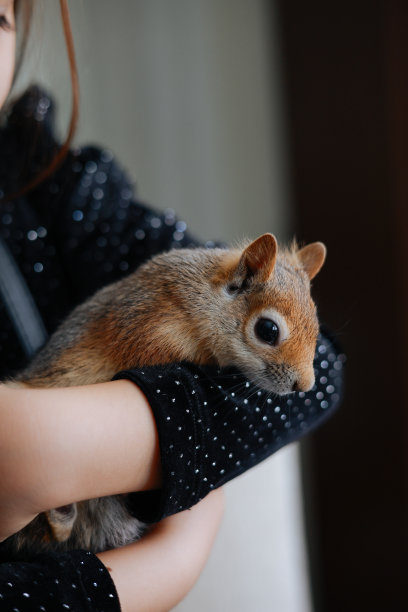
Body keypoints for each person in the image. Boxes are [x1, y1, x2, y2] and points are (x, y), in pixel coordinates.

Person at [0, 1, 343, 610]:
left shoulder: (44, 173)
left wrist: (44, 443)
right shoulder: (176, 315)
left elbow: (324, 373)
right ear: (238, 285)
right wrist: (164, 565)